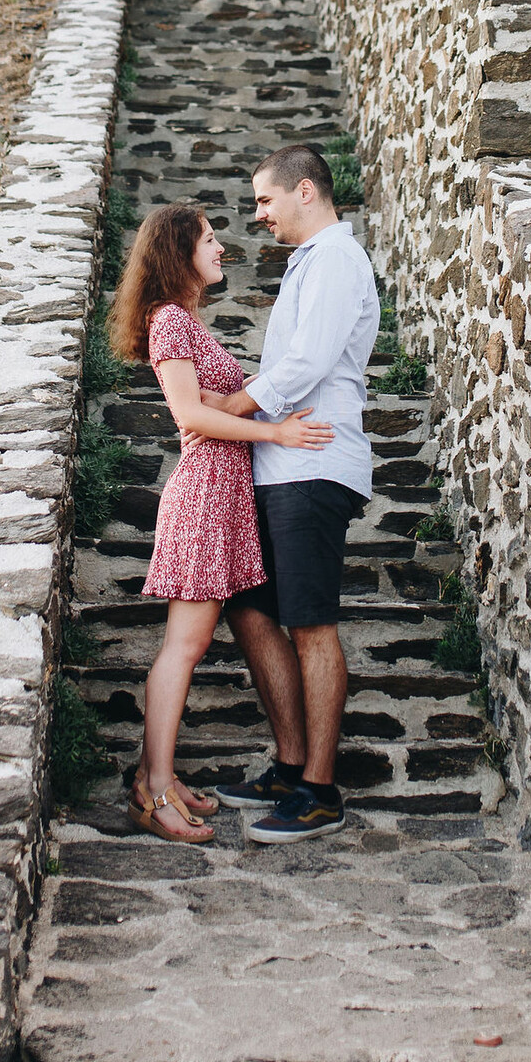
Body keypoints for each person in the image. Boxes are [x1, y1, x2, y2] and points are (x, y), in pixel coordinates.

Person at [106, 200, 332, 844]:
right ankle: (152, 792)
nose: (221, 247)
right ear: (179, 251)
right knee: (185, 646)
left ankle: (163, 779)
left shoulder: (185, 323)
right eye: (208, 238)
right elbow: (192, 418)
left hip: (222, 496)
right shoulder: (172, 321)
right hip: (206, 495)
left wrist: (257, 394)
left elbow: (212, 401)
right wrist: (281, 434)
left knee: (190, 644)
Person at [219, 143, 380, 844]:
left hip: (315, 463)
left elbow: (308, 362)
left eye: (264, 200)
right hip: (282, 464)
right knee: (251, 610)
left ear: (305, 191)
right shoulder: (310, 264)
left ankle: (319, 789)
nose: (258, 215)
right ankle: (288, 767)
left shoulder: (339, 260)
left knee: (310, 623)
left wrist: (230, 408)